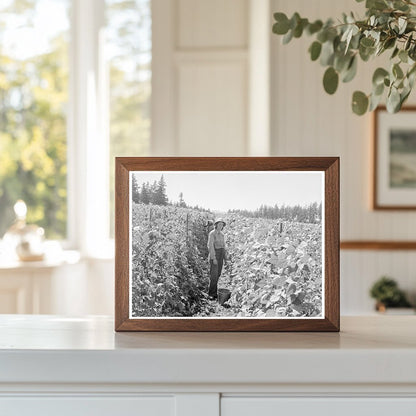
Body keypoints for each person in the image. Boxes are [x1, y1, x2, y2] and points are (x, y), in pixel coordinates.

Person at [207, 218, 226, 300]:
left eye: (222, 225)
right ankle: (211, 293)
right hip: (215, 255)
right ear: (216, 225)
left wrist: (225, 258)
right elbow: (210, 246)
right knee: (214, 275)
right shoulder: (212, 234)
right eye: (219, 224)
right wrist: (213, 258)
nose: (221, 226)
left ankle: (214, 292)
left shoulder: (222, 234)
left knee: (218, 274)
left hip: (221, 255)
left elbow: (224, 247)